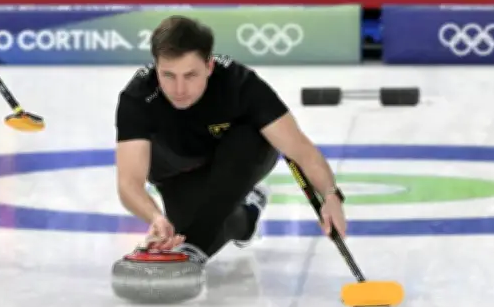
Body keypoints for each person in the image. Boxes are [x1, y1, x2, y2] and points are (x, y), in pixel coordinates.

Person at [114, 15, 346, 264]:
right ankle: (249, 212)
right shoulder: (138, 97)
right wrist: (155, 218)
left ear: (209, 66)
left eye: (190, 75)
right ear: (156, 66)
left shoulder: (239, 84)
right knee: (200, 225)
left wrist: (330, 196)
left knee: (199, 232)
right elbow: (129, 183)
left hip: (238, 155)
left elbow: (302, 151)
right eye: (168, 75)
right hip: (176, 172)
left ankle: (198, 241)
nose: (179, 90)